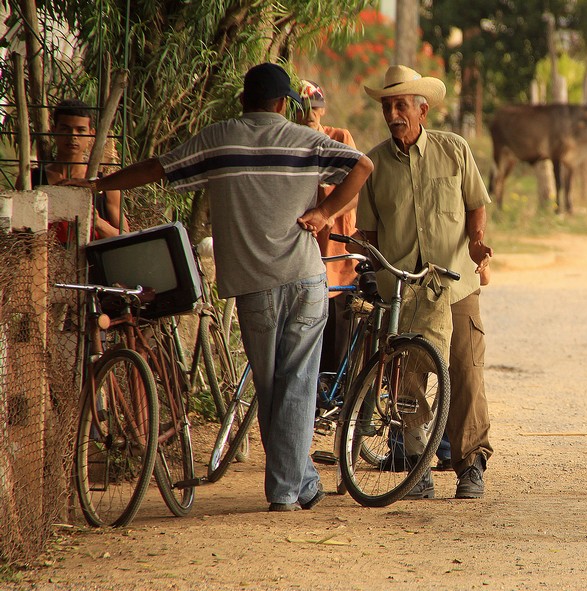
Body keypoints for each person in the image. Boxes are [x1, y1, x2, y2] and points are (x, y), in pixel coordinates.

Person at [68, 62, 373, 512]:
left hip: (253, 286)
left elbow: (158, 167)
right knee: (297, 385)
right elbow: (362, 165)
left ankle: (288, 489)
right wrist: (324, 215)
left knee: (272, 389)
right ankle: (297, 484)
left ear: (242, 101)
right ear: (281, 104)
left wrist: (100, 183)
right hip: (306, 279)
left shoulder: (221, 138)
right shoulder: (306, 140)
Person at [358, 65, 493, 500]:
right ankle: (418, 465)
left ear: (423, 110)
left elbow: (476, 204)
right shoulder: (373, 163)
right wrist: (374, 270)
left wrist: (476, 244)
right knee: (406, 377)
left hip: (455, 284)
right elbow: (370, 232)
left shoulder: (454, 150)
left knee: (466, 373)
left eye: (401, 105)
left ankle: (471, 464)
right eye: (387, 106)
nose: (393, 113)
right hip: (404, 290)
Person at [295, 80, 359, 384]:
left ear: (324, 109)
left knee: (338, 321)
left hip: (335, 250)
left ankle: (336, 394)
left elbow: (358, 188)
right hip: (303, 249)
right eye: (304, 108)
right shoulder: (290, 145)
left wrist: (330, 213)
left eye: (315, 108)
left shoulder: (339, 138)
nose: (311, 114)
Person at [28, 99, 128, 240]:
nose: (73, 136)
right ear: (54, 130)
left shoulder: (106, 185)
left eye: (80, 130)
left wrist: (97, 223)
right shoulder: (32, 179)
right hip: (46, 259)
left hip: (91, 261)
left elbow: (125, 237)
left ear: (91, 134)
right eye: (65, 129)